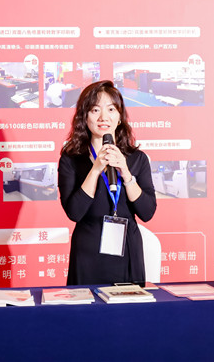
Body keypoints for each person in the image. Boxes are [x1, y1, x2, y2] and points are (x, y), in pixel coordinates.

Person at [58, 80, 157, 285]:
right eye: (95, 110)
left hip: (127, 252)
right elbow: (74, 212)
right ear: (84, 116)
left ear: (119, 117)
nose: (104, 117)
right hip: (88, 254)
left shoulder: (136, 159)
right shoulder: (71, 159)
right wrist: (95, 170)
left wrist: (126, 174)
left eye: (111, 109)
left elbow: (147, 212)